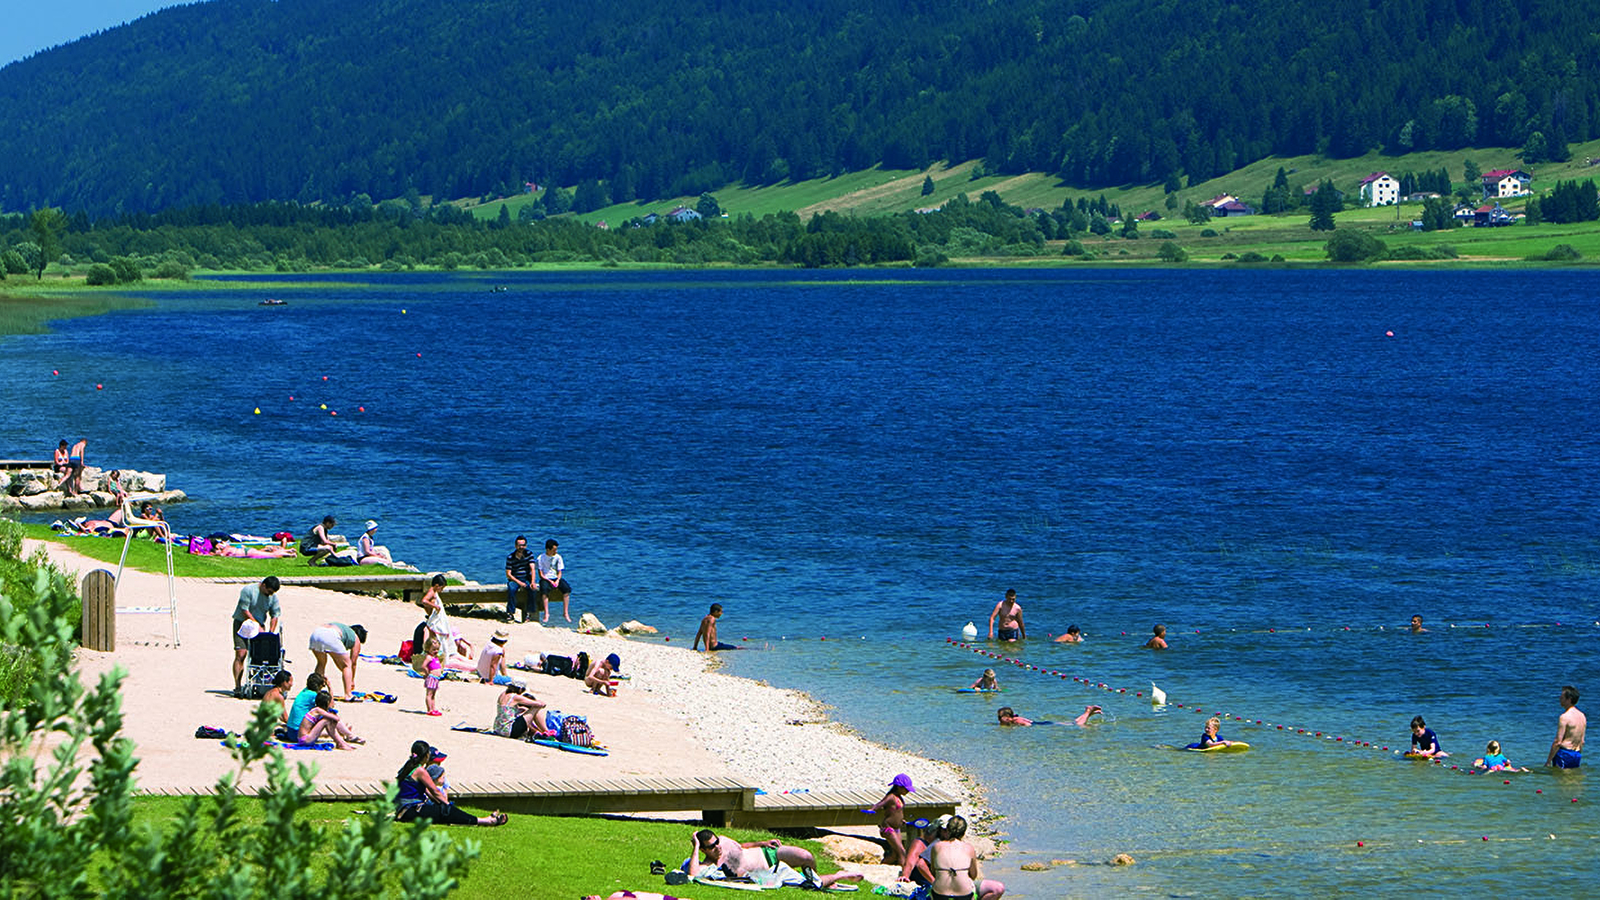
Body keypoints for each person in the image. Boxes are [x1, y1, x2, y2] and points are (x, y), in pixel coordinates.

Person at [685, 829, 861, 890]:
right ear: (703, 850)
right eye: (712, 847)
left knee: (806, 856)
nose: (718, 847)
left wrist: (762, 842)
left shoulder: (723, 841)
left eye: (717, 842)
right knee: (807, 882)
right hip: (767, 871)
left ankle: (819, 878)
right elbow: (693, 874)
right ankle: (823, 881)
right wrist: (695, 846)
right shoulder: (710, 864)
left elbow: (742, 846)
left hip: (766, 854)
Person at [393, 741, 507, 826]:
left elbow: (427, 791)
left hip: (403, 810)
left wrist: (443, 803)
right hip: (410, 810)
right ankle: (486, 821)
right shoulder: (420, 771)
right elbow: (435, 791)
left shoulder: (407, 767)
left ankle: (481, 820)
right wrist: (447, 805)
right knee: (446, 811)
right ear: (427, 756)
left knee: (443, 810)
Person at [928, 815, 1004, 900]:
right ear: (964, 832)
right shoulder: (969, 848)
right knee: (997, 887)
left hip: (940, 895)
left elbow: (933, 871)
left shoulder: (937, 847)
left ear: (948, 830)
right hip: (964, 896)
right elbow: (973, 875)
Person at [231, 576, 281, 698]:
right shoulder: (248, 590)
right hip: (242, 624)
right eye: (269, 591)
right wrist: (256, 625)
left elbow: (275, 615)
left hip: (259, 626)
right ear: (263, 585)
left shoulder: (272, 597)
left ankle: (260, 683)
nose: (270, 594)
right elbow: (244, 610)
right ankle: (238, 686)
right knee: (241, 654)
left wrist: (270, 632)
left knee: (261, 656)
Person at [308, 621, 366, 700]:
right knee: (347, 665)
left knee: (321, 663)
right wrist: (351, 680)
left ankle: (314, 691)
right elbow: (353, 663)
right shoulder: (356, 638)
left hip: (316, 633)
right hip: (330, 636)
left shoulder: (343, 629)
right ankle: (348, 694)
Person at [868, 774, 914, 866]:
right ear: (898, 787)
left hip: (897, 828)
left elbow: (897, 812)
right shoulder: (891, 797)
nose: (908, 791)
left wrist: (902, 820)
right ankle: (903, 873)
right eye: (906, 789)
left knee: (895, 854)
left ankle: (880, 865)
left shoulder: (899, 798)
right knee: (902, 852)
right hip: (888, 828)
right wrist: (872, 809)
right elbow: (880, 804)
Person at [1547, 684, 1585, 769]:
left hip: (1564, 753)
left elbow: (1557, 742)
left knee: (1561, 780)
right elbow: (1582, 741)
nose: (1560, 699)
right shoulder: (1582, 716)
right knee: (1573, 779)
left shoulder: (1564, 717)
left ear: (1569, 699)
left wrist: (1548, 761)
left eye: (1562, 697)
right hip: (1577, 754)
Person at [536, 538, 572, 623]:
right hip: (545, 578)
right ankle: (546, 613)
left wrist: (557, 580)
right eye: (554, 550)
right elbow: (541, 574)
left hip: (555, 577)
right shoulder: (540, 558)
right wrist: (549, 581)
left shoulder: (558, 557)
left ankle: (565, 612)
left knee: (567, 589)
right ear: (548, 549)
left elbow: (560, 572)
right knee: (544, 591)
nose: (556, 551)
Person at [504, 535, 536, 623]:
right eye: (519, 545)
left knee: (532, 589)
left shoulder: (529, 554)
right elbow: (508, 574)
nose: (521, 547)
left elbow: (532, 569)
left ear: (525, 545)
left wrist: (533, 582)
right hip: (514, 578)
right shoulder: (510, 557)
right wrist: (519, 582)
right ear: (515, 546)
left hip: (526, 577)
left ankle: (529, 613)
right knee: (511, 589)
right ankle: (510, 613)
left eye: (523, 545)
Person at [422, 635, 444, 716]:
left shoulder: (436, 657)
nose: (436, 651)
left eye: (437, 649)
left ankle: (433, 708)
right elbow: (423, 666)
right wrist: (428, 674)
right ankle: (429, 710)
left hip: (436, 678)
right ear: (428, 649)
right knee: (429, 694)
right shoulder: (429, 657)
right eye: (433, 649)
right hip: (431, 677)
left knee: (433, 695)